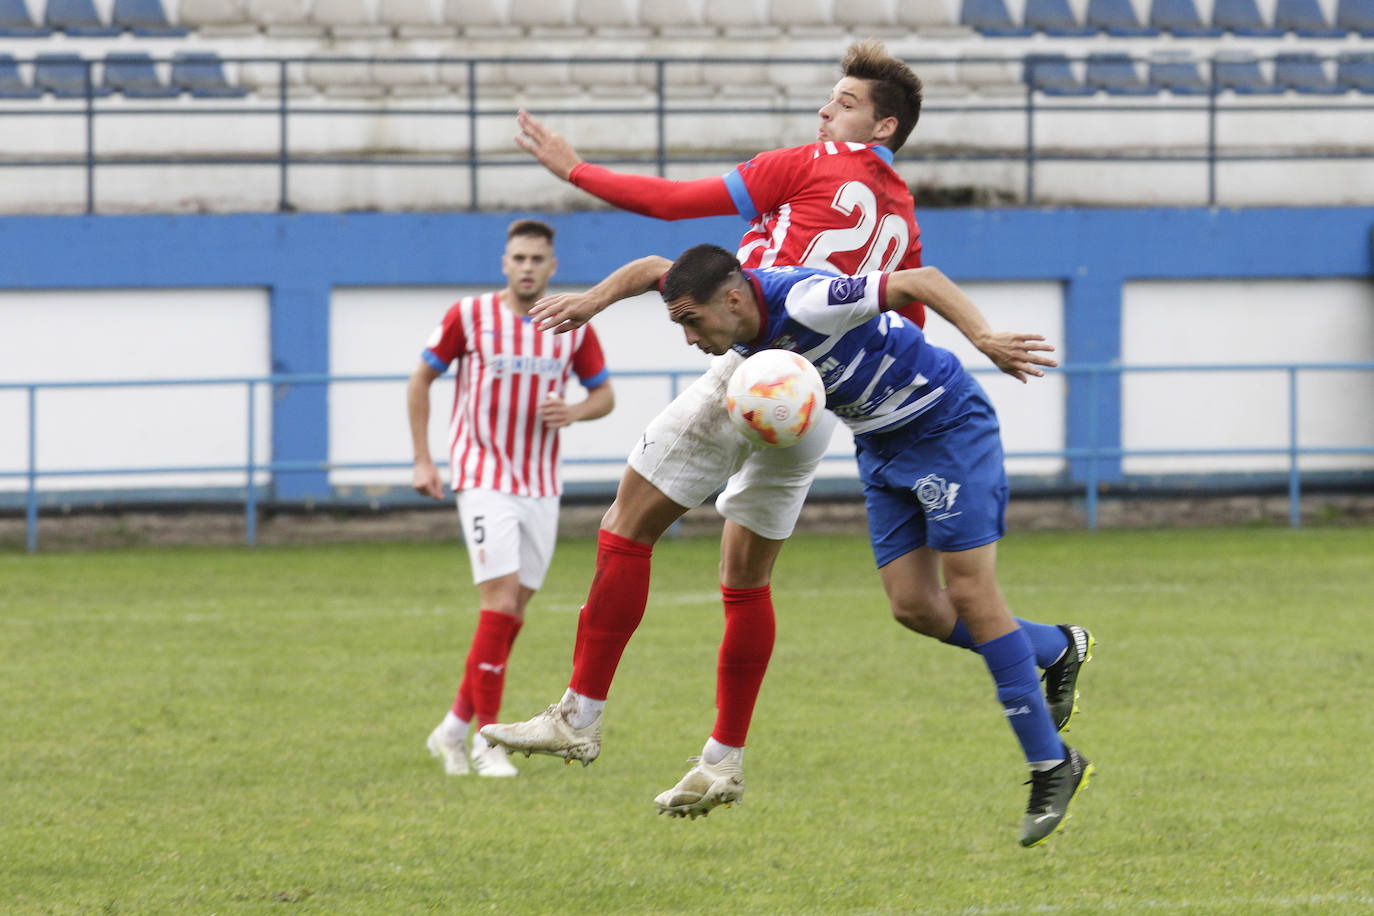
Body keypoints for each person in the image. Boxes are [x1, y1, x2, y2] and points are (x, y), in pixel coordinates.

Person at [482, 42, 1092, 817]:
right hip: (817, 399)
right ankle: (723, 760)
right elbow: (895, 313)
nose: (824, 111)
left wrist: (576, 171)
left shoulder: (803, 165)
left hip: (761, 362)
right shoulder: (899, 212)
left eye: (842, 102)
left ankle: (579, 716)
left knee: (625, 528)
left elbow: (672, 207)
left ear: (881, 125)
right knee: (766, 582)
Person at [531, 243, 1091, 847]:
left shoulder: (808, 299)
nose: (690, 339)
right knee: (915, 607)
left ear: (735, 298)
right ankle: (1056, 647)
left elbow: (921, 279)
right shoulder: (724, 306)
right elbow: (648, 267)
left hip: (946, 428)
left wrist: (984, 337)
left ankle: (1051, 764)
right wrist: (592, 303)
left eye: (692, 321)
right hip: (881, 447)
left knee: (972, 592)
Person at [411, 219, 615, 778]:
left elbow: (604, 395)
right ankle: (487, 741)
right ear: (505, 263)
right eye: (518, 257)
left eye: (537, 259)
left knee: (514, 610)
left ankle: (453, 728)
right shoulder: (469, 316)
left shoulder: (570, 324)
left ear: (552, 267)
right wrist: (423, 459)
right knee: (499, 601)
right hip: (482, 476)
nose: (527, 267)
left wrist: (573, 411)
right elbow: (420, 380)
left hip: (541, 484)